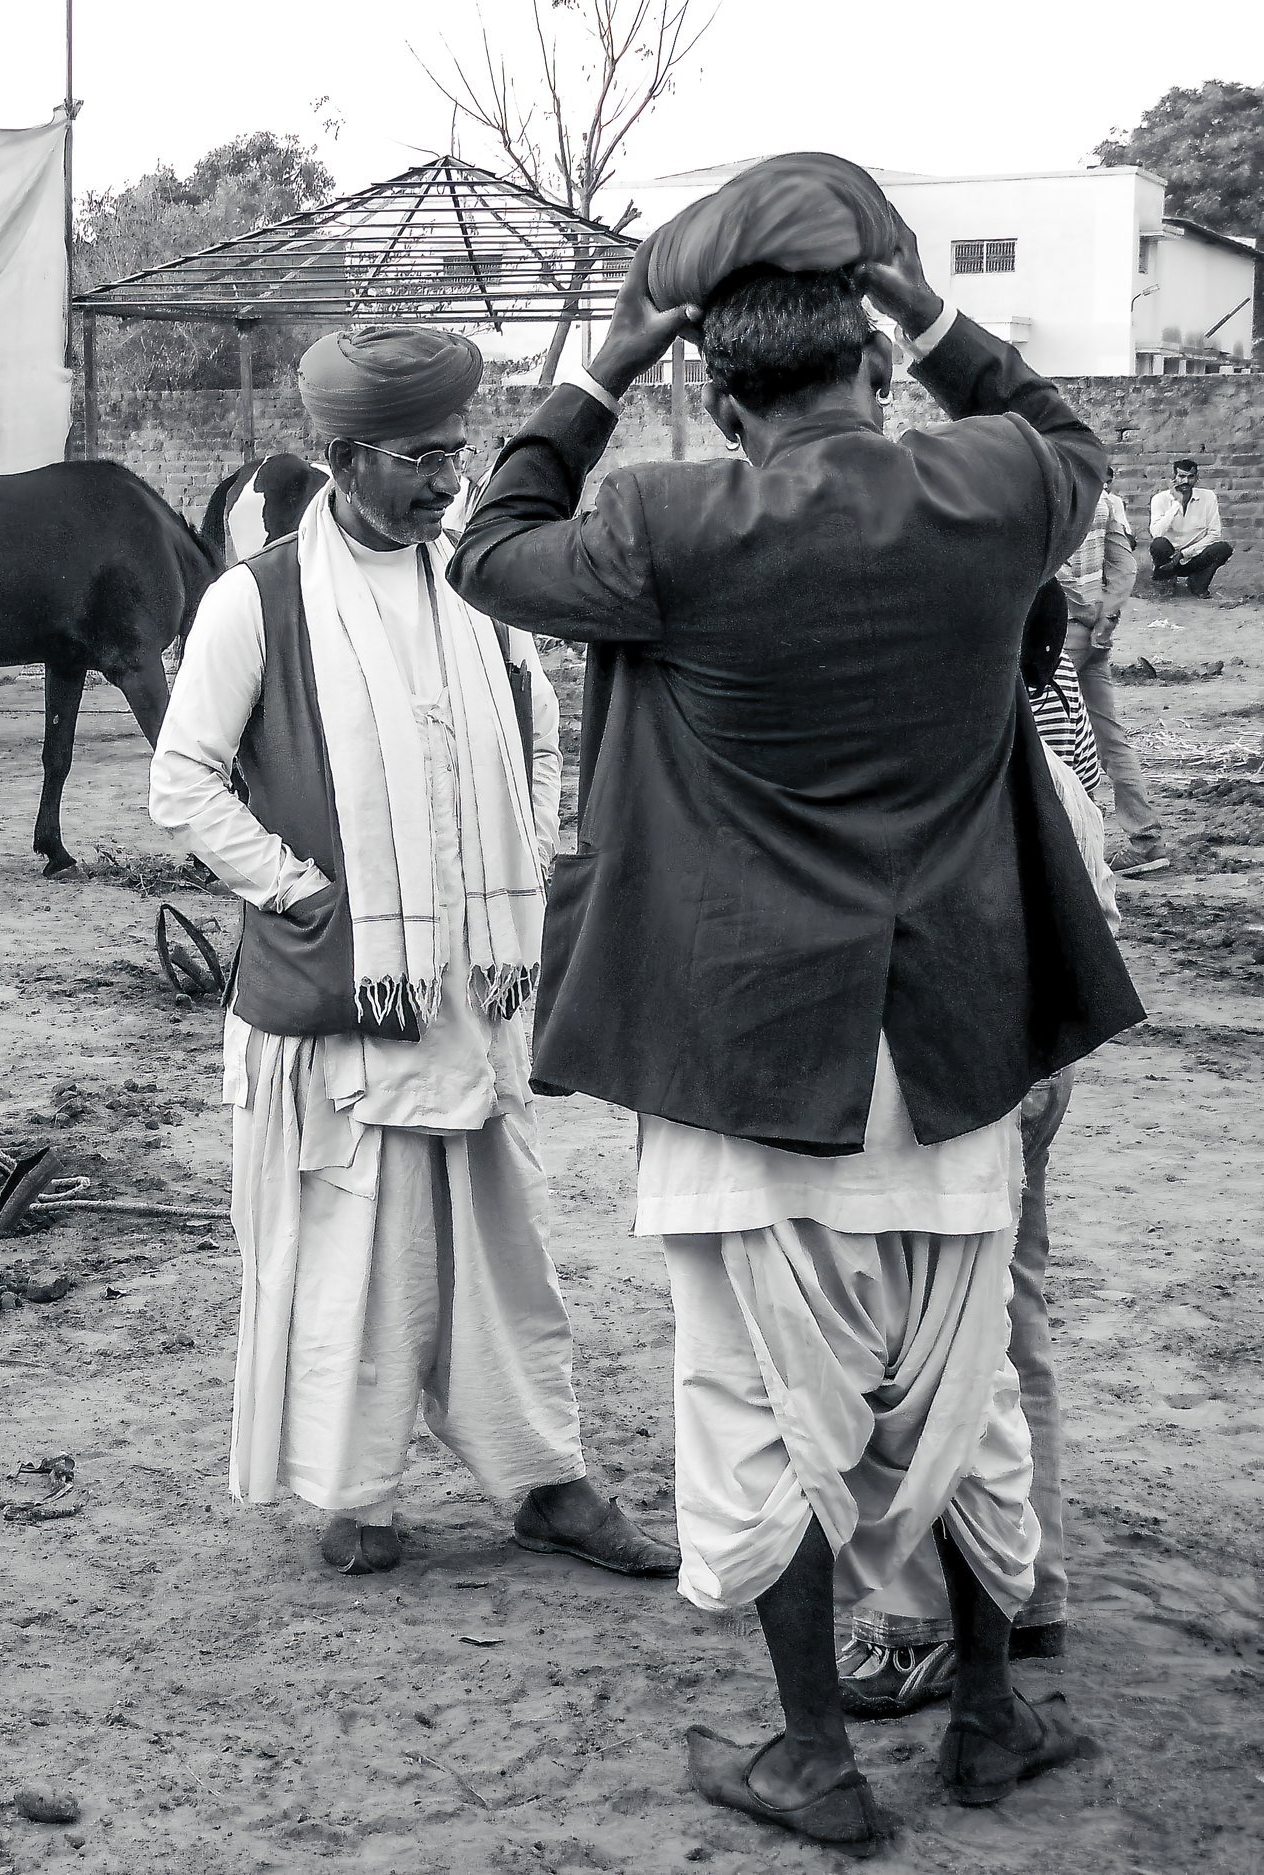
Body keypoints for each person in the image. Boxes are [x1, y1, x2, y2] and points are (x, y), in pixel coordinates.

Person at [449, 154, 1142, 1853]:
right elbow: (1072, 440)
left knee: (759, 1416)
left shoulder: (668, 527)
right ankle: (985, 1720)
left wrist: (606, 363)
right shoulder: (987, 493)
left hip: (753, 1050)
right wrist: (923, 297)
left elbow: (490, 547)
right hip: (960, 1042)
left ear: (716, 393)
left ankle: (816, 1761)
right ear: (879, 365)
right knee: (965, 1399)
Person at [149, 324, 676, 1583]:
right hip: (346, 997)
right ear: (341, 459)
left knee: (508, 1251)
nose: (450, 482)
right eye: (421, 459)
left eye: (457, 453)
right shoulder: (257, 598)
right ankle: (356, 1494)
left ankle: (545, 1482)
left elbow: (543, 732)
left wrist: (520, 875)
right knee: (355, 1254)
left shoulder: (485, 584)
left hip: (472, 992)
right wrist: (303, 895)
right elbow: (183, 781)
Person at [836, 583, 1119, 1719]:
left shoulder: (972, 768)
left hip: (974, 1085)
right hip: (1031, 1074)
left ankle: (923, 1618)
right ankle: (1026, 1587)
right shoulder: (1051, 763)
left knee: (934, 1348)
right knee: (1011, 1325)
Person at [1063, 465, 1169, 873]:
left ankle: (1066, 848)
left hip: (1059, 636)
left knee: (1045, 738)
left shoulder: (1046, 503)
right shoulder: (1107, 503)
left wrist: (1083, 613)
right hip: (1096, 635)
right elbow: (1125, 569)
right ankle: (1146, 839)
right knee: (1110, 740)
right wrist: (1105, 616)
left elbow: (1054, 572)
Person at [1149, 457, 1232, 596]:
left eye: (1190, 477)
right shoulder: (1160, 499)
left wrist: (1184, 553)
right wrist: (1177, 503)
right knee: (1159, 544)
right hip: (1169, 559)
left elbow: (1214, 533)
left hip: (1194, 556)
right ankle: (1166, 583)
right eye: (1181, 476)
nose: (1186, 481)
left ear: (1197, 478)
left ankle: (1197, 582)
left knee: (1223, 548)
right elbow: (1156, 533)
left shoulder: (1208, 497)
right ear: (1174, 478)